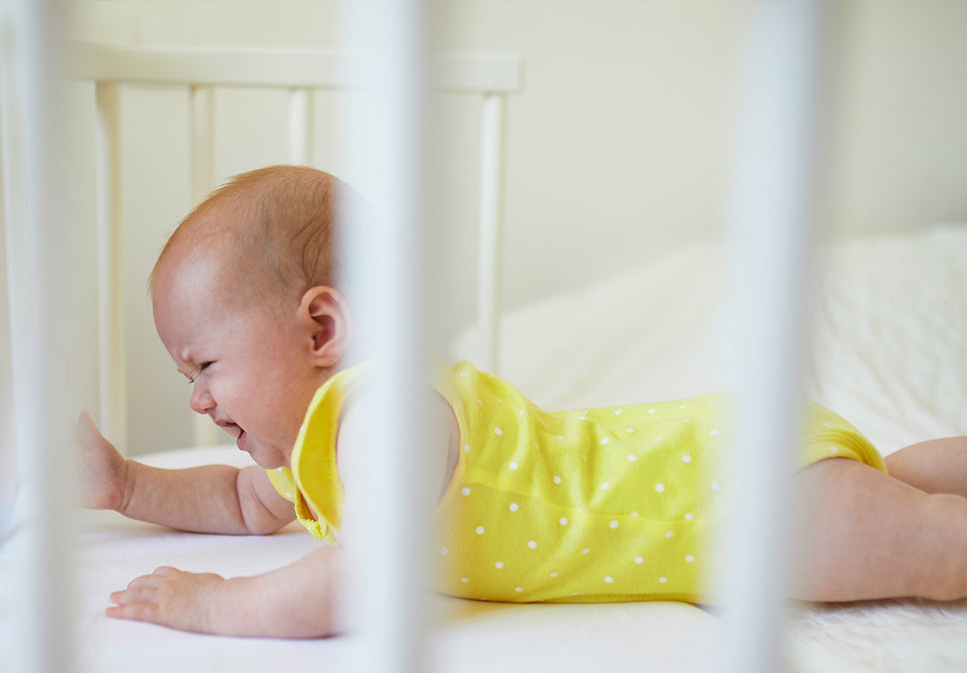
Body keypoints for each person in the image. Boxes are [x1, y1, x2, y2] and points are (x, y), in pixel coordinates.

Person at [76, 164, 967, 640]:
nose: (197, 397)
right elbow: (238, 501)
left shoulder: (386, 420)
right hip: (738, 464)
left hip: (732, 503)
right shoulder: (322, 445)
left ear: (318, 330)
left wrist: (211, 606)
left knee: (931, 549)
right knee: (884, 484)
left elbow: (361, 578)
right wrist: (126, 485)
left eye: (204, 363)